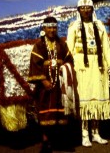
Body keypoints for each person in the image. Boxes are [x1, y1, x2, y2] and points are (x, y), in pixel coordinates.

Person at [66, 0, 110, 147]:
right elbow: (69, 49)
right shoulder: (74, 26)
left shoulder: (99, 25)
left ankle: (96, 133)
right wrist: (69, 69)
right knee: (85, 100)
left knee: (97, 98)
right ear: (79, 10)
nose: (86, 10)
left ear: (92, 9)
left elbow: (106, 47)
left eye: (88, 8)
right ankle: (84, 135)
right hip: (81, 68)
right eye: (83, 8)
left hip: (98, 67)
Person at [28, 16, 75, 153]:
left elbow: (69, 60)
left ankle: (60, 142)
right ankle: (46, 142)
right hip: (45, 87)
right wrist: (43, 81)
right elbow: (35, 64)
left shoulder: (62, 44)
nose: (52, 30)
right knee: (45, 113)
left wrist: (66, 71)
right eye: (49, 27)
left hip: (60, 85)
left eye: (54, 27)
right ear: (44, 28)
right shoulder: (39, 45)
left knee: (60, 114)